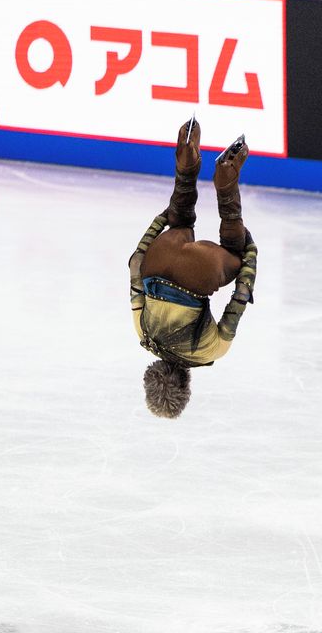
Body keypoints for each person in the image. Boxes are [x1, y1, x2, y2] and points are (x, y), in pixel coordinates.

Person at [129, 119, 258, 419]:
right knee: (181, 220)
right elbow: (135, 264)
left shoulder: (210, 352)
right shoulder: (142, 333)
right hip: (158, 259)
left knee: (234, 253)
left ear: (186, 387)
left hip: (200, 270)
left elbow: (240, 296)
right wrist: (163, 220)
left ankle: (227, 176)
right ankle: (187, 158)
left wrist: (249, 253)